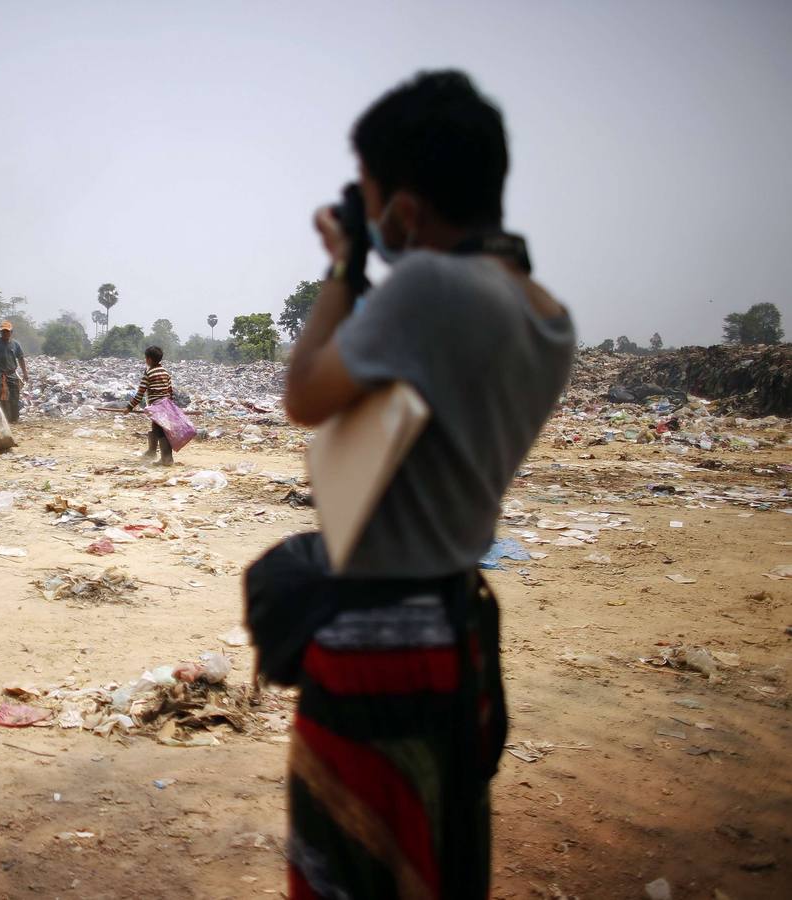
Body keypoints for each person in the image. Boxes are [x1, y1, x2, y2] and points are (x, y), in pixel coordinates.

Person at [277, 71, 574, 898]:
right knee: (435, 865)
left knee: (355, 873)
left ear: (404, 210)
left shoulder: (432, 288)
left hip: (378, 648)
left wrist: (344, 265)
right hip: (459, 636)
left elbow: (304, 394)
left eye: (373, 202)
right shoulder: (545, 313)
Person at [125, 345, 175, 466]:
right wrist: (172, 407)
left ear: (149, 359)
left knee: (161, 432)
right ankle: (152, 452)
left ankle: (166, 459)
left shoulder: (149, 374)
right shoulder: (166, 372)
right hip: (166, 405)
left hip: (157, 407)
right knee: (157, 429)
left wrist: (129, 407)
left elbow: (140, 394)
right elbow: (170, 391)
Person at [0, 322, 28, 423]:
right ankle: (5, 419)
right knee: (3, 397)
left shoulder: (15, 344)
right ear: (0, 332)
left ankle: (14, 418)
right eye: (3, 331)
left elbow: (21, 358)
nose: (5, 333)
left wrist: (25, 373)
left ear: (11, 332)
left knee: (15, 397)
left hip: (12, 374)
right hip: (0, 374)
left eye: (7, 331)